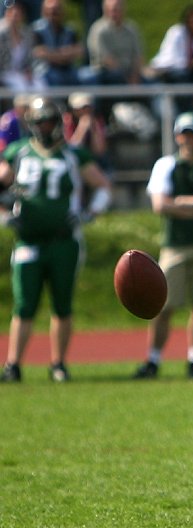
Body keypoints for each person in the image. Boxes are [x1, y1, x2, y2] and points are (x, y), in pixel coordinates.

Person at [0, 97, 112, 383]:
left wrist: (89, 213)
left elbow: (102, 186)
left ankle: (58, 363)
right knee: (24, 305)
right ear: (32, 124)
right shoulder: (18, 152)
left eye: (50, 121)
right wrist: (4, 215)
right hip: (28, 240)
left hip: (64, 240)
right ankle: (13, 365)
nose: (46, 127)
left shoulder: (74, 154)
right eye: (41, 122)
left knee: (62, 304)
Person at [133, 112, 193, 380]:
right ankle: (153, 359)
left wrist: (181, 202)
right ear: (177, 137)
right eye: (185, 134)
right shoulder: (166, 165)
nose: (188, 139)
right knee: (163, 306)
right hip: (175, 244)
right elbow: (160, 205)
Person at [146, 4, 193, 85]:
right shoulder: (176, 32)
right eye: (191, 22)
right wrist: (190, 63)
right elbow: (171, 58)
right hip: (172, 69)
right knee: (184, 76)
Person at [86, 0, 146, 85]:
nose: (113, 14)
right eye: (111, 10)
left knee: (152, 83)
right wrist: (127, 80)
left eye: (116, 10)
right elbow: (106, 59)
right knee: (116, 77)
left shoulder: (132, 29)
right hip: (105, 73)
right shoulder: (98, 30)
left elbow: (139, 56)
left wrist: (135, 76)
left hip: (130, 74)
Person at [31, 0, 86, 88]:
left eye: (56, 11)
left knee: (87, 77)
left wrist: (52, 54)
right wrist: (64, 54)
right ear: (44, 12)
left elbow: (79, 51)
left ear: (62, 12)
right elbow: (39, 52)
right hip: (45, 70)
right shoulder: (37, 30)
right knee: (52, 77)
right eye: (50, 11)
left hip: (68, 69)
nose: (53, 14)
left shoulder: (70, 30)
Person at [63, 92, 110, 173]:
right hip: (72, 162)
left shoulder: (97, 120)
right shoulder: (67, 120)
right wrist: (82, 127)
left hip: (94, 161)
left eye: (87, 107)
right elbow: (72, 150)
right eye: (81, 108)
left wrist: (93, 129)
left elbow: (99, 151)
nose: (85, 110)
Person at [0, 2, 36, 91]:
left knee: (39, 85)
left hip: (20, 74)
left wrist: (28, 71)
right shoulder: (1, 33)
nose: (14, 14)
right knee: (21, 87)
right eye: (11, 11)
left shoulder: (26, 34)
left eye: (18, 12)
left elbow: (29, 59)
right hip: (4, 74)